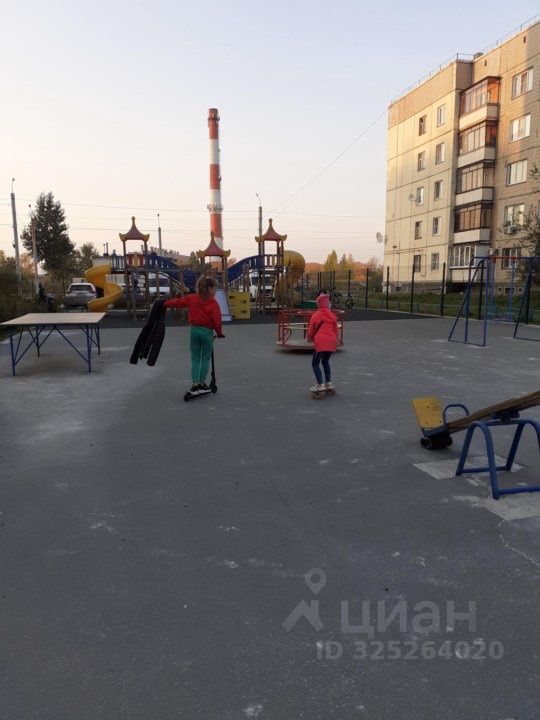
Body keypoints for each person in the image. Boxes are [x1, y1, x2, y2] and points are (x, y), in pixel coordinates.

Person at [164, 276, 225, 394]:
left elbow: (179, 302)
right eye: (214, 288)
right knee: (205, 358)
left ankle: (195, 383)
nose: (215, 291)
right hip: (207, 332)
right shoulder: (213, 303)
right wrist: (219, 333)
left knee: (195, 358)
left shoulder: (192, 298)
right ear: (210, 288)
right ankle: (202, 383)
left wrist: (165, 304)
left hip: (194, 330)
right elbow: (217, 321)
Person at [307, 293, 338, 394]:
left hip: (320, 342)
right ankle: (328, 383)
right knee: (325, 362)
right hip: (331, 342)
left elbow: (311, 331)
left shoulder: (315, 316)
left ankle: (320, 384)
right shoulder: (333, 316)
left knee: (315, 363)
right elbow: (336, 331)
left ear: (319, 304)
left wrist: (310, 339)